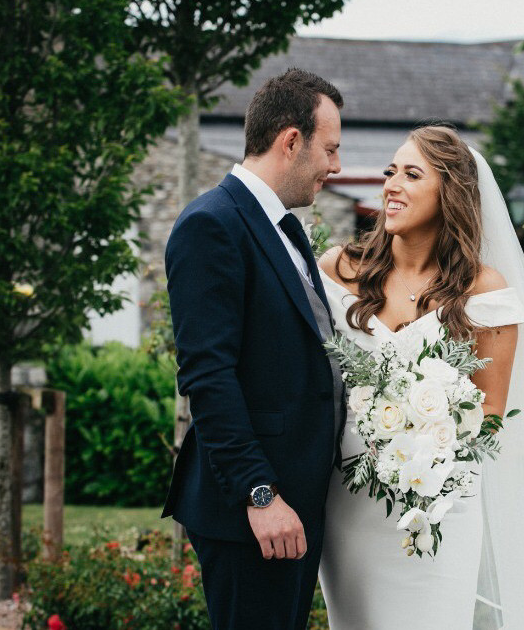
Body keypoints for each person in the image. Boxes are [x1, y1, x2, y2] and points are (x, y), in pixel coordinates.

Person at [316, 124, 524, 629]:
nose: (391, 184)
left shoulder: (483, 291)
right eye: (391, 172)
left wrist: (425, 447)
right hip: (351, 506)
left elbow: (492, 412)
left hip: (441, 507)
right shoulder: (340, 269)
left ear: (449, 193)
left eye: (412, 174)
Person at [162, 68, 346, 630]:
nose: (337, 166)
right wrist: (259, 494)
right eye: (330, 149)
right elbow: (208, 376)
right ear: (291, 141)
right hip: (254, 513)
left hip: (297, 503)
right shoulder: (211, 225)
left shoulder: (281, 227)